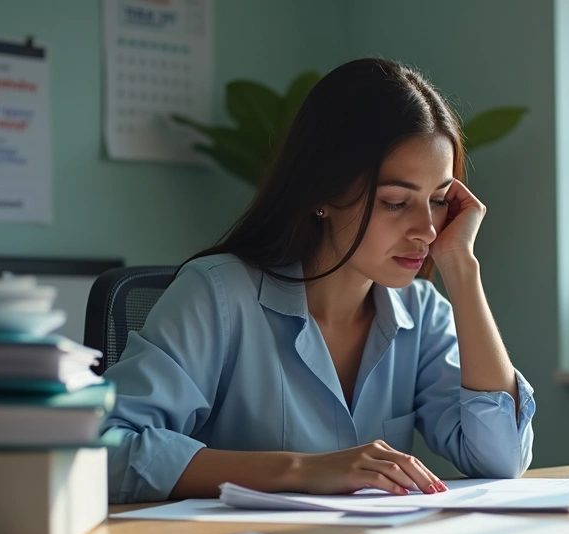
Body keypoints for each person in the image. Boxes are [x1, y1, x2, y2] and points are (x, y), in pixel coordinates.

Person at [101, 58, 535, 504]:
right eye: (395, 202)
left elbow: (500, 459)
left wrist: (462, 267)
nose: (426, 229)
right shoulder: (218, 295)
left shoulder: (422, 314)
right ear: (324, 192)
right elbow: (104, 450)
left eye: (439, 200)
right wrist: (302, 470)